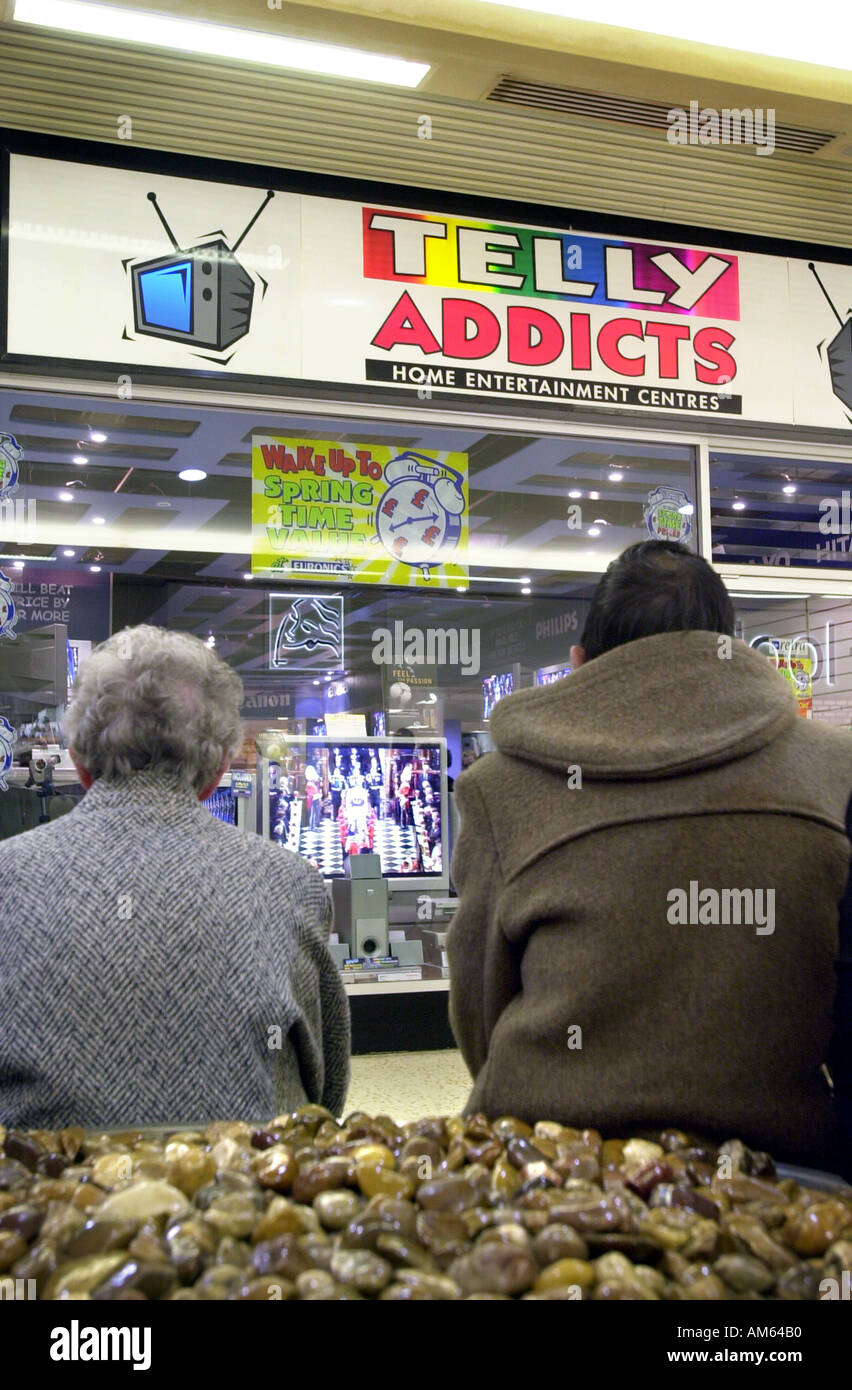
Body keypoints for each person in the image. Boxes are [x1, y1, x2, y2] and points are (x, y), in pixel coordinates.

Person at [448, 540, 852, 1176]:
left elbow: (479, 1015)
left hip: (546, 1164)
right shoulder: (834, 769)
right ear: (735, 652)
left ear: (580, 664)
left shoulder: (501, 788)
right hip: (778, 1174)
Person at [0, 625, 350, 1129]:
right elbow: (325, 1092)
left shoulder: (8, 879)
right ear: (216, 774)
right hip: (253, 1196)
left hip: (45, 1200)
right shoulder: (291, 883)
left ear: (78, 762)